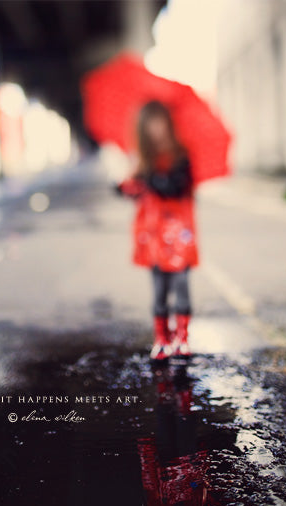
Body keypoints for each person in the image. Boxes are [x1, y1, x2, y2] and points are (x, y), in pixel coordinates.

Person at [118, 101, 196, 360]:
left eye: (160, 122)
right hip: (152, 235)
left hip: (178, 235)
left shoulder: (181, 157)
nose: (156, 129)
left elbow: (174, 187)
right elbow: (134, 191)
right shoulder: (142, 162)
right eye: (150, 124)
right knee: (159, 288)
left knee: (181, 285)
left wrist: (149, 178)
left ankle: (182, 336)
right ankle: (161, 338)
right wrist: (124, 186)